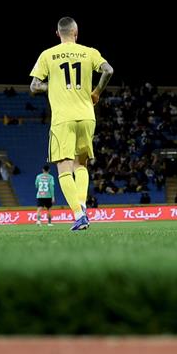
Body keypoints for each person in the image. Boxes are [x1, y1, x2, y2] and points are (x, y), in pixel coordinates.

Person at [30, 17, 114, 231]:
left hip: (63, 118)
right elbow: (108, 70)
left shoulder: (47, 55)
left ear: (57, 34)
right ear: (76, 33)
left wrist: (53, 86)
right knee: (81, 165)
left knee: (64, 168)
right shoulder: (90, 52)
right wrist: (96, 92)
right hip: (87, 116)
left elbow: (34, 86)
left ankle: (78, 215)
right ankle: (83, 206)